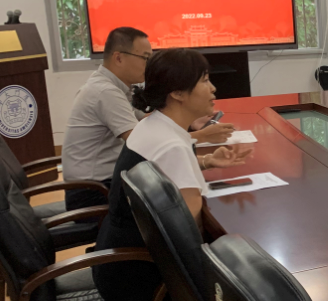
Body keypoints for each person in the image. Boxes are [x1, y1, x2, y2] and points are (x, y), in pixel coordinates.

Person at [92, 49, 252, 301]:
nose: (213, 89)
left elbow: (167, 173)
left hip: (116, 261)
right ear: (177, 93)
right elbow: (189, 240)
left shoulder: (153, 125)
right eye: (204, 80)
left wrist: (206, 161)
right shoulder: (172, 144)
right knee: (247, 278)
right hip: (139, 273)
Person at [62, 27, 233, 211]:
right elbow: (151, 145)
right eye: (145, 58)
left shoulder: (118, 87)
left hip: (110, 181)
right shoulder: (105, 92)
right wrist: (202, 135)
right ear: (119, 58)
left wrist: (190, 120)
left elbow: (151, 120)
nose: (149, 65)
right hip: (94, 191)